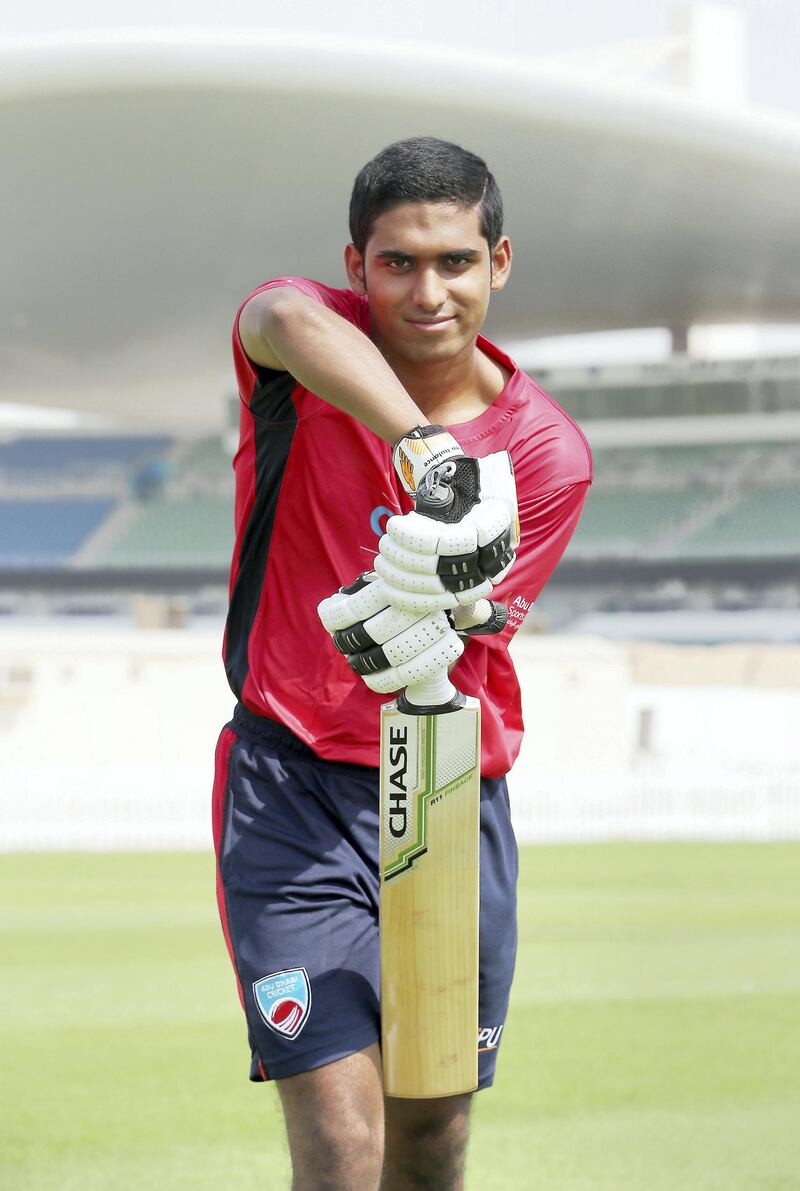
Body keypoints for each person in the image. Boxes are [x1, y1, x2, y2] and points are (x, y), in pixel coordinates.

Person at [212, 136, 592, 1191]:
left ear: (498, 262)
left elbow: (468, 636)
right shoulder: (307, 338)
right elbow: (276, 316)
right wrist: (427, 451)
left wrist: (434, 597)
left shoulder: (549, 454)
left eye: (454, 261)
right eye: (397, 263)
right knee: (341, 1144)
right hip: (286, 785)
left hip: (441, 787)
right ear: (356, 264)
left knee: (430, 1145)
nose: (427, 292)